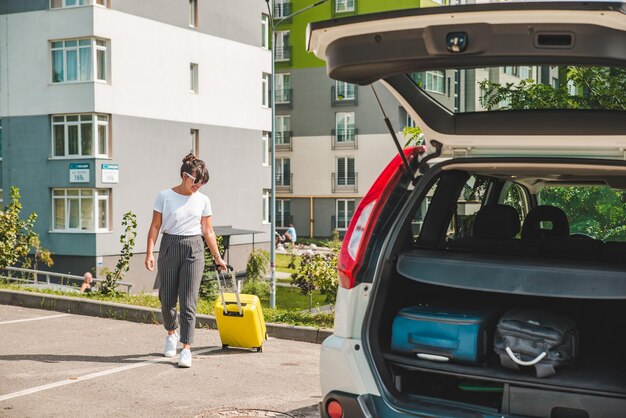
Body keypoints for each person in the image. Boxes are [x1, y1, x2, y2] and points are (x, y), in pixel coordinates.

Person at [145, 153, 227, 368]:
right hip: (170, 246)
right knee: (167, 298)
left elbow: (208, 231)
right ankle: (171, 333)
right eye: (197, 181)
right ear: (185, 176)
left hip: (194, 249)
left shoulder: (203, 200)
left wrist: (217, 257)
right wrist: (149, 253)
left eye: (203, 182)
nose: (199, 186)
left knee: (189, 301)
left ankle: (186, 347)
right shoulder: (164, 196)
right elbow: (155, 226)